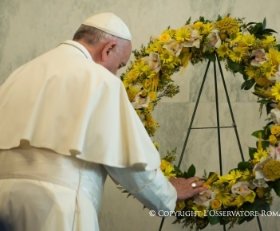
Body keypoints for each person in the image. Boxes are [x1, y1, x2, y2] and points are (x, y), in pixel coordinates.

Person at [0, 12, 207, 231]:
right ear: (108, 49)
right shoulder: (100, 79)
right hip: (57, 206)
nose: (116, 73)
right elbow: (130, 165)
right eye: (120, 64)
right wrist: (168, 194)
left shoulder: (18, 74)